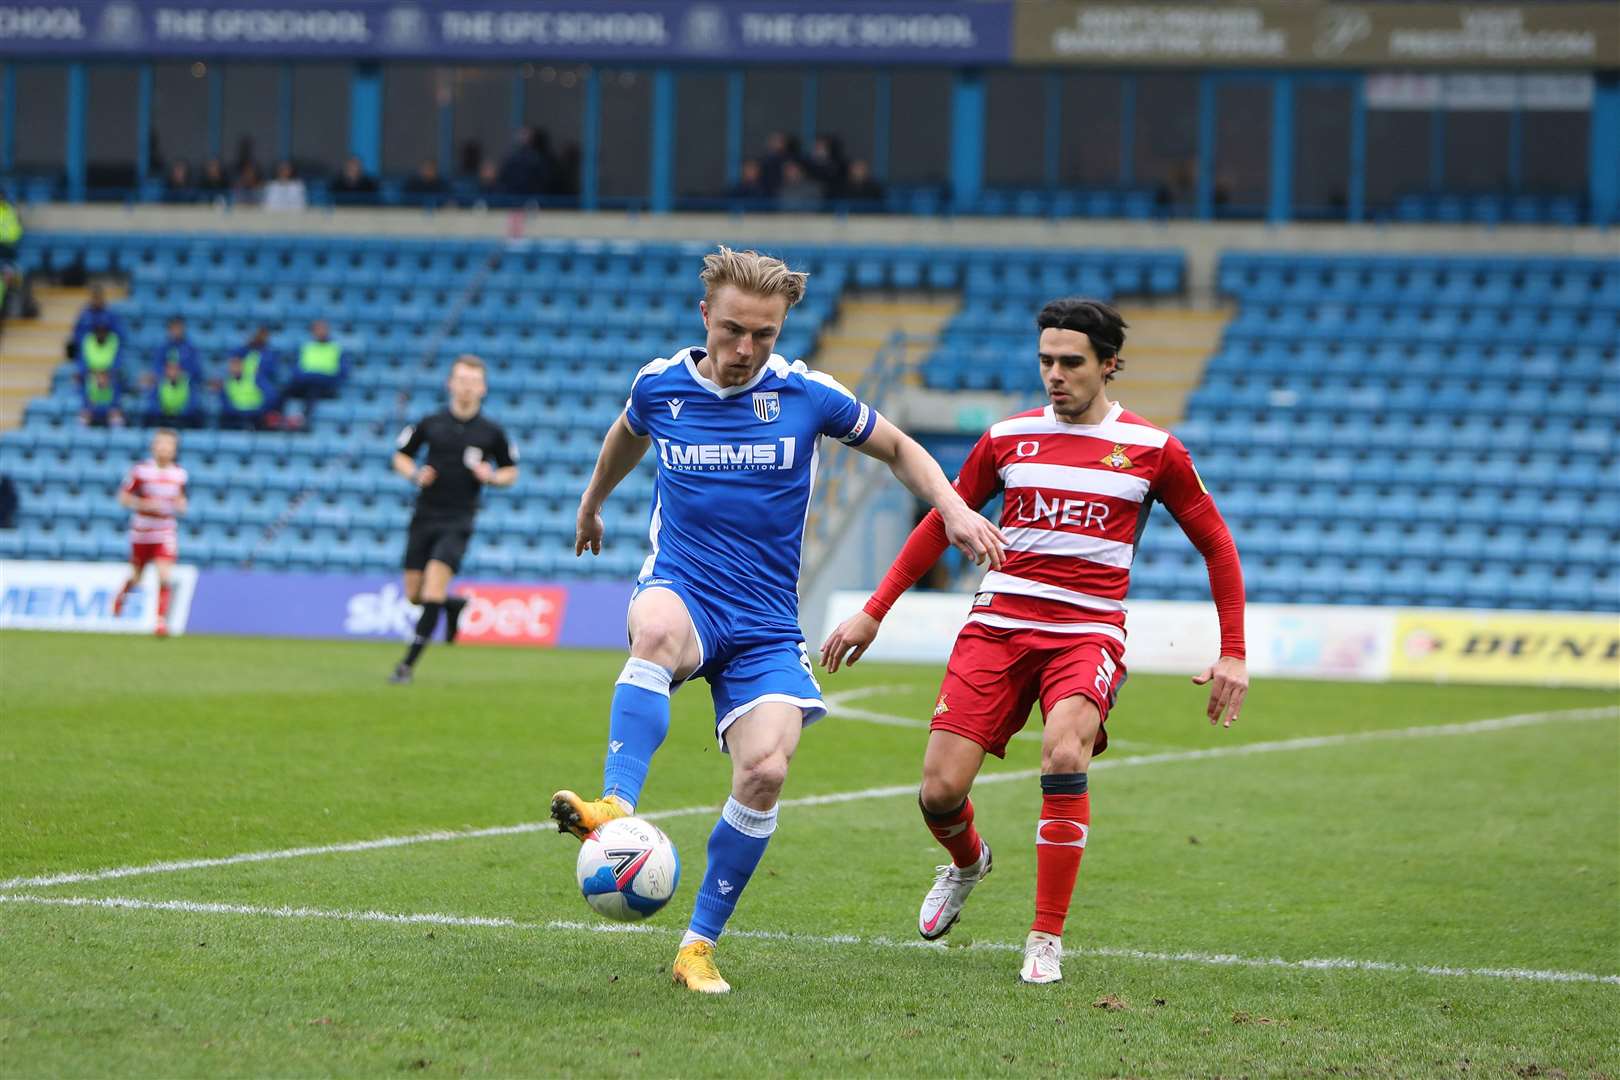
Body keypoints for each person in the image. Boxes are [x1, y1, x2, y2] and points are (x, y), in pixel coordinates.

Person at [549, 246, 1005, 994]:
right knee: (655, 632)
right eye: (732, 331)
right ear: (705, 317)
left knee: (764, 772)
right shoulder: (661, 385)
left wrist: (952, 506)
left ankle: (697, 947)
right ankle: (615, 805)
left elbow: (897, 446)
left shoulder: (807, 394)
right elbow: (626, 432)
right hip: (685, 588)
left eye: (764, 334)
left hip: (764, 624)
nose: (746, 349)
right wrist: (593, 502)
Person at [820, 298, 1249, 985]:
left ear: (1109, 365)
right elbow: (943, 521)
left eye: (1071, 363)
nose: (1056, 374)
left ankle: (1045, 936)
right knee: (937, 792)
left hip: (1087, 631)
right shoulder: (1007, 437)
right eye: (1046, 360)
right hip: (997, 627)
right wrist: (876, 611)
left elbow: (1217, 544)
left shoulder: (1153, 450)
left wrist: (1233, 650)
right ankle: (968, 864)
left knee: (1063, 752)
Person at [388, 355, 518, 683]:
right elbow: (400, 457)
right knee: (415, 594)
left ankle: (406, 665)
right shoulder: (430, 423)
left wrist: (491, 476)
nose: (467, 387)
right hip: (424, 515)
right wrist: (416, 474)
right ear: (450, 383)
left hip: (459, 519)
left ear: (483, 388)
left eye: (473, 381)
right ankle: (451, 606)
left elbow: (511, 472)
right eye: (461, 379)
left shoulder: (492, 432)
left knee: (432, 585)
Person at [113, 428, 189, 638]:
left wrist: (181, 505)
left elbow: (182, 500)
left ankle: (160, 622)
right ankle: (124, 592)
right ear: (153, 447)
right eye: (160, 444)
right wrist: (144, 503)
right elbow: (123, 497)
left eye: (169, 445)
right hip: (142, 531)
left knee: (164, 575)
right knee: (138, 576)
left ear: (175, 450)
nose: (164, 448)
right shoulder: (141, 471)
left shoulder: (179, 474)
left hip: (164, 531)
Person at [281, 318, 348, 425]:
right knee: (284, 390)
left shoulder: (335, 348)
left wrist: (315, 377)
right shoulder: (306, 347)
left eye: (322, 329)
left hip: (324, 386)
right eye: (317, 330)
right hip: (305, 383)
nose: (320, 332)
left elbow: (342, 372)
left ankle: (304, 421)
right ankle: (277, 418)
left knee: (313, 391)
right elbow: (296, 369)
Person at [217, 352, 278, 430]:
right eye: (231, 364)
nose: (233, 367)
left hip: (256, 417)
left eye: (236, 364)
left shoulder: (256, 379)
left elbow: (271, 397)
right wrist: (239, 412)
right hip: (235, 418)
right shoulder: (227, 382)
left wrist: (255, 411)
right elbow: (225, 404)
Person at [68, 285, 128, 362]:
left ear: (103, 298)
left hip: (107, 352)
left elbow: (120, 336)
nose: (96, 300)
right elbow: (77, 335)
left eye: (98, 297)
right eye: (94, 297)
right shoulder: (85, 315)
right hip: (87, 354)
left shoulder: (110, 314)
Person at [143, 356, 203, 428]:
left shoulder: (189, 383)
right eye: (170, 369)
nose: (173, 372)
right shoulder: (159, 382)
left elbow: (193, 404)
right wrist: (165, 412)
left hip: (183, 418)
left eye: (176, 369)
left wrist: (178, 413)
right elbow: (153, 402)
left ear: (180, 370)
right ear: (166, 370)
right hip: (163, 418)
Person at [147, 316, 204, 387]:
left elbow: (196, 370)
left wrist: (180, 374)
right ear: (169, 330)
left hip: (187, 386)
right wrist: (168, 373)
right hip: (164, 384)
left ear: (184, 329)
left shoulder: (191, 349)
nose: (176, 331)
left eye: (179, 328)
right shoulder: (162, 349)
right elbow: (156, 367)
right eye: (173, 328)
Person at [76, 316, 124, 387]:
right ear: (94, 331)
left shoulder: (114, 339)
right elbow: (82, 360)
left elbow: (118, 359)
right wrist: (94, 374)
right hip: (91, 374)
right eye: (98, 330)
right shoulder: (88, 339)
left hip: (109, 375)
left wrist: (107, 374)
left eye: (104, 330)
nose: (101, 333)